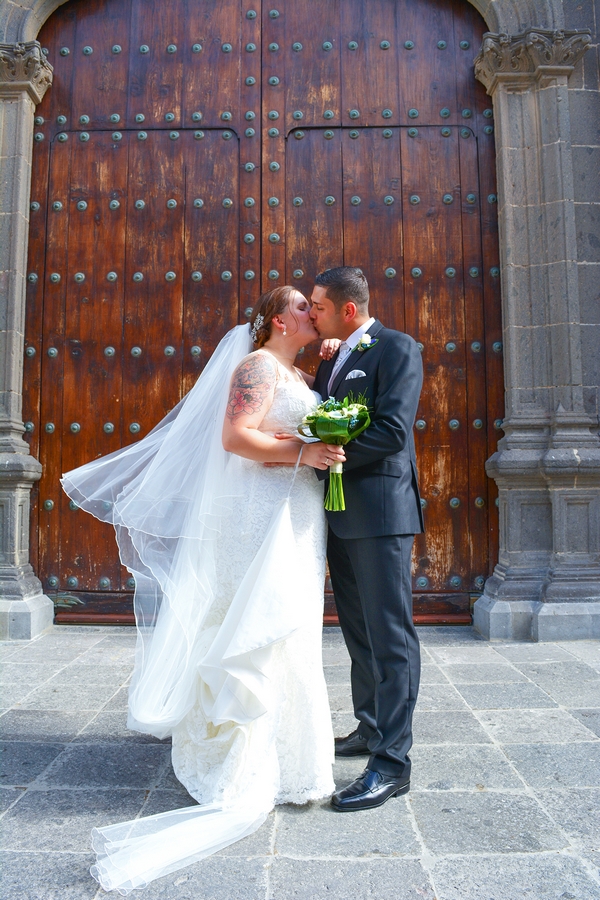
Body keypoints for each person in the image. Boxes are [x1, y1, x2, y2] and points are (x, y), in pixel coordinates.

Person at [61, 286, 344, 894]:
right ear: (277, 318)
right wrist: (307, 451)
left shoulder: (295, 370)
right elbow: (236, 438)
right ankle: (237, 762)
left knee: (290, 626)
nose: (310, 314)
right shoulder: (257, 367)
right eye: (302, 307)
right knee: (255, 626)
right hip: (256, 516)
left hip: (294, 512)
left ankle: (295, 763)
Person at [310, 266, 424, 812]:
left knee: (391, 635)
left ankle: (392, 764)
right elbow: (319, 410)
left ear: (347, 309)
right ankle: (370, 726)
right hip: (339, 514)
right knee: (357, 631)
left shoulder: (398, 348)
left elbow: (393, 430)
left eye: (318, 307)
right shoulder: (335, 356)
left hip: (380, 511)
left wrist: (333, 451)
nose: (311, 315)